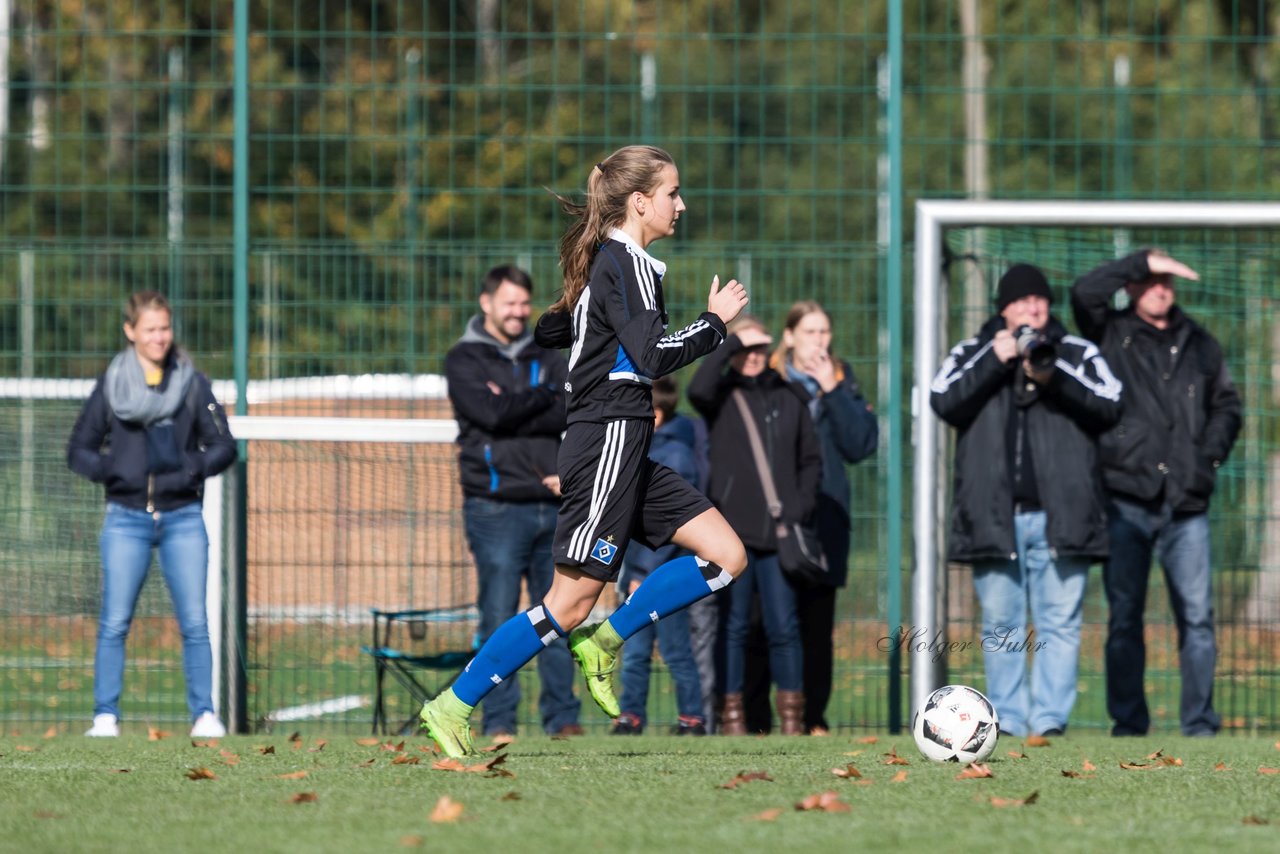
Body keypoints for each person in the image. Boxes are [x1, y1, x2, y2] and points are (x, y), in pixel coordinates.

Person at [419, 144, 750, 758]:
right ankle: (453, 704)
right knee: (566, 604)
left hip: (627, 442)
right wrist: (713, 323)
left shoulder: (621, 264)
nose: (682, 204)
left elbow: (561, 330)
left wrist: (579, 317)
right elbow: (650, 358)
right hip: (605, 445)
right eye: (673, 193)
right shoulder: (623, 263)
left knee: (726, 557)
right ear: (640, 201)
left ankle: (607, 639)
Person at [930, 264, 1122, 738]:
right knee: (1001, 625)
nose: (1032, 308)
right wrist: (995, 361)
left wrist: (1053, 374)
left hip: (1062, 517)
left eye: (1040, 301)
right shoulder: (974, 351)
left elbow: (1111, 404)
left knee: (1060, 622)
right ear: (1003, 310)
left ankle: (1049, 721)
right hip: (992, 517)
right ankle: (1009, 720)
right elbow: (943, 400)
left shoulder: (1076, 352)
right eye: (1021, 302)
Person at [1071, 250, 1242, 737]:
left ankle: (1201, 725)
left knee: (1198, 620)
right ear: (1133, 285)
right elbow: (1084, 292)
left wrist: (1205, 460)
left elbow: (1227, 408)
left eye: (1166, 280)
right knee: (1124, 617)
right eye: (1149, 280)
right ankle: (1128, 722)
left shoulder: (1201, 343)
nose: (1160, 288)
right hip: (1126, 496)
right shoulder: (1110, 334)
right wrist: (1139, 259)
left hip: (1186, 504)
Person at [66, 291, 238, 738]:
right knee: (115, 621)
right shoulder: (111, 383)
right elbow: (78, 450)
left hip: (183, 517)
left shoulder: (192, 383)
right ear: (131, 332)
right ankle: (105, 715)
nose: (159, 337)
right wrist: (113, 471)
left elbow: (224, 447)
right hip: (125, 519)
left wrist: (192, 468)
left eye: (164, 328)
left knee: (195, 622)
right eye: (150, 329)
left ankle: (204, 714)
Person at [444, 264, 581, 739]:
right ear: (487, 304)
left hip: (556, 501)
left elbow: (570, 404)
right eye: (510, 303)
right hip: (495, 508)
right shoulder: (463, 359)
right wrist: (542, 397)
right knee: (499, 617)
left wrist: (522, 401)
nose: (520, 312)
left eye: (525, 303)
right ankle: (498, 720)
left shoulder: (550, 352)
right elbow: (489, 415)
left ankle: (563, 719)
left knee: (561, 615)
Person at [687, 314, 823, 735]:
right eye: (744, 349)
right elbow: (696, 389)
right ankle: (732, 720)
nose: (752, 356)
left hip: (780, 536)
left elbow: (810, 461)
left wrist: (798, 508)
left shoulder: (790, 396)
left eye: (759, 347)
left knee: (785, 627)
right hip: (734, 537)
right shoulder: (721, 394)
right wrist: (729, 342)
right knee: (734, 628)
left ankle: (792, 722)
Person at [770, 300, 879, 735]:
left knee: (818, 625)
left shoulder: (840, 379)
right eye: (811, 332)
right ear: (790, 336)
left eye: (825, 332)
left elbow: (861, 445)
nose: (819, 341)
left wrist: (831, 390)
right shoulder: (771, 379)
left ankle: (813, 717)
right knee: (771, 620)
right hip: (776, 516)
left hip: (827, 517)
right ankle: (760, 717)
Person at [611, 377, 708, 736]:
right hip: (635, 568)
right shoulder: (637, 448)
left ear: (654, 414)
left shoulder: (675, 455)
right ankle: (631, 716)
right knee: (634, 651)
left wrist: (643, 573)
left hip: (663, 574)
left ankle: (692, 718)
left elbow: (673, 524)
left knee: (675, 649)